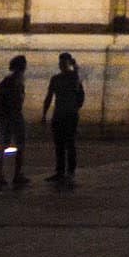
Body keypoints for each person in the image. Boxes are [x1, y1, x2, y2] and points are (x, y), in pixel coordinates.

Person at [0, 54, 30, 190]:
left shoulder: (15, 80)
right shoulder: (11, 81)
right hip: (9, 116)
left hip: (13, 115)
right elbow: (3, 99)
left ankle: (14, 174)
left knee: (17, 145)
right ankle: (1, 175)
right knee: (7, 145)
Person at [42, 53, 84, 186]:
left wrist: (75, 66)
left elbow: (78, 87)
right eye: (60, 63)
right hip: (59, 114)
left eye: (64, 63)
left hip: (70, 115)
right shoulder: (55, 78)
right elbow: (49, 96)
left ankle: (70, 172)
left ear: (69, 63)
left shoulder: (74, 77)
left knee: (70, 144)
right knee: (59, 144)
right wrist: (44, 113)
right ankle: (60, 171)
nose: (61, 66)